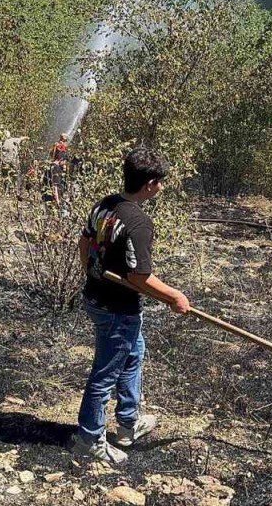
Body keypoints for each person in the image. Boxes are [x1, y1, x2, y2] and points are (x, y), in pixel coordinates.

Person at [70, 148, 190, 465]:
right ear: (150, 184)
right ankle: (90, 440)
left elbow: (84, 245)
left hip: (96, 298)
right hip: (116, 310)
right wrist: (174, 296)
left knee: (133, 356)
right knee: (105, 374)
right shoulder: (138, 223)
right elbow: (139, 277)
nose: (161, 188)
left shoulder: (104, 205)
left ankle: (128, 423)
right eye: (160, 183)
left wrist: (92, 271)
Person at [50, 132, 70, 203]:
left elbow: (52, 154)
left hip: (59, 166)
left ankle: (59, 199)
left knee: (59, 183)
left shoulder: (59, 145)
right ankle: (57, 200)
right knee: (56, 183)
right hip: (57, 166)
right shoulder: (59, 145)